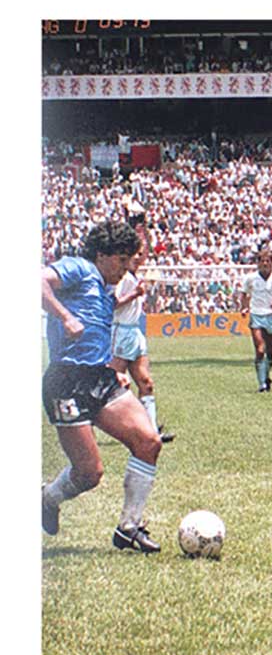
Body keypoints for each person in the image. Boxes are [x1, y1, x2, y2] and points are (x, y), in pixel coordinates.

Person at [41, 220, 165, 552]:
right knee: (89, 474)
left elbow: (101, 318)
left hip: (100, 378)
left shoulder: (105, 285)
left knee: (149, 442)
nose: (126, 267)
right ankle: (47, 497)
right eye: (122, 260)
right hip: (65, 382)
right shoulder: (79, 268)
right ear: (101, 255)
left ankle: (129, 527)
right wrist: (65, 317)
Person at [110, 241, 175, 443]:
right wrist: (134, 295)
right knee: (115, 384)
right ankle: (97, 422)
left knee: (146, 383)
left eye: (140, 254)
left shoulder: (134, 276)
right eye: (134, 254)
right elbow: (112, 303)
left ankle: (152, 431)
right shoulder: (121, 278)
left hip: (134, 332)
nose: (138, 258)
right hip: (121, 332)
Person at [241, 248, 272, 393]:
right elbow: (244, 294)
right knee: (260, 349)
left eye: (267, 261)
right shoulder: (251, 278)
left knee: (270, 352)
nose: (264, 264)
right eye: (262, 261)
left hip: (271, 315)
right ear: (258, 263)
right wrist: (244, 308)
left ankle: (266, 376)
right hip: (256, 314)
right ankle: (262, 384)